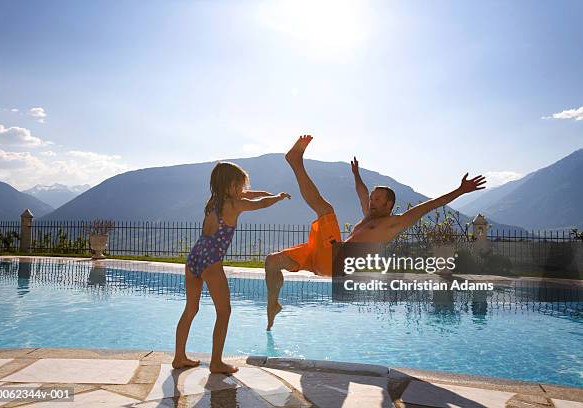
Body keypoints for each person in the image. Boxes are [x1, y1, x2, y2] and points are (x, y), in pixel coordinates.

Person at [265, 135, 486, 330]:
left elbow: (430, 205)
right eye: (372, 198)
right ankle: (273, 305)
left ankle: (295, 162)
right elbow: (361, 192)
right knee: (272, 261)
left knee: (326, 210)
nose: (371, 202)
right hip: (322, 258)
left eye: (377, 199)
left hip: (336, 263)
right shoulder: (368, 216)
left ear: (389, 204)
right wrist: (356, 174)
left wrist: (460, 190)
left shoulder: (394, 223)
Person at [173, 161, 290, 373]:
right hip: (211, 259)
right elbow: (261, 203)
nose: (241, 190)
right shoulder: (235, 205)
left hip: (195, 256)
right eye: (238, 185)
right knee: (224, 311)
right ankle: (216, 362)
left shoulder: (213, 202)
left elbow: (250, 194)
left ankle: (179, 357)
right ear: (229, 185)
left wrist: (264, 191)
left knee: (190, 309)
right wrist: (277, 198)